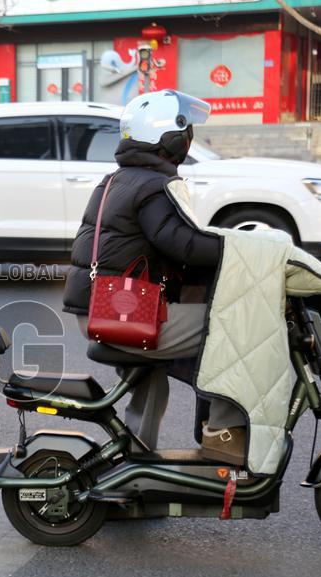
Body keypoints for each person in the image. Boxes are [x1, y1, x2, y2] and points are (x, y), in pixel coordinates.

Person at [62, 89, 245, 465]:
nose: (189, 139)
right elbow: (184, 245)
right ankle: (223, 433)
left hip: (98, 307)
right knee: (230, 328)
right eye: (186, 131)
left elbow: (168, 247)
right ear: (170, 139)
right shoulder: (152, 186)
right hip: (118, 313)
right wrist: (242, 248)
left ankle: (135, 463)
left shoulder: (119, 179)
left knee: (151, 381)